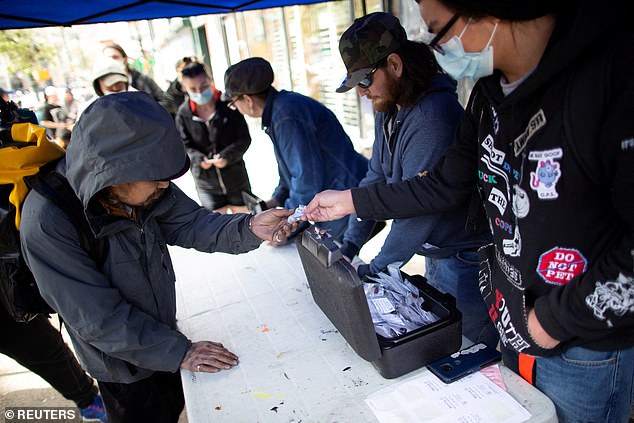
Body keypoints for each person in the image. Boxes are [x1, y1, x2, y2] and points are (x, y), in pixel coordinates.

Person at [303, 1, 634, 421]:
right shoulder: (488, 97)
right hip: (515, 313)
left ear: (486, 11)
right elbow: (439, 186)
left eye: (440, 31)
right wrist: (353, 201)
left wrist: (549, 321)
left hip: (583, 338)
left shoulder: (610, 77)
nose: (438, 49)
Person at [19, 91, 297, 422]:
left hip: (164, 335)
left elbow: (193, 223)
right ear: (114, 174)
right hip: (121, 366)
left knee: (175, 406)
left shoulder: (144, 180)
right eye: (156, 178)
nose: (165, 185)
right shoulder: (49, 220)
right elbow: (98, 319)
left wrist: (250, 227)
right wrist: (178, 350)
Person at [336, 12, 496, 347]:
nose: (361, 93)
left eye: (364, 81)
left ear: (394, 65)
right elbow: (376, 179)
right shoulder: (390, 107)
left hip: (463, 258)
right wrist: (349, 246)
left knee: (466, 349)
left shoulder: (432, 118)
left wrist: (374, 271)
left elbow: (417, 211)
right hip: (435, 252)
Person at [224, 57, 369, 242]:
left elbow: (306, 182)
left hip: (344, 198)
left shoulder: (286, 117)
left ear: (247, 99)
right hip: (336, 195)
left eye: (233, 103)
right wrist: (275, 202)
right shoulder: (281, 109)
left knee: (336, 261)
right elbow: (289, 174)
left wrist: (284, 225)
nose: (236, 108)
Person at [175, 61, 252, 213]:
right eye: (193, 89)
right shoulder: (183, 114)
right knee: (218, 229)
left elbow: (244, 138)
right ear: (185, 88)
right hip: (206, 185)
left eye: (203, 86)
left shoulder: (229, 105)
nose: (199, 92)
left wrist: (227, 157)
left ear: (210, 79)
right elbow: (184, 147)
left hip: (236, 179)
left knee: (246, 224)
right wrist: (198, 159)